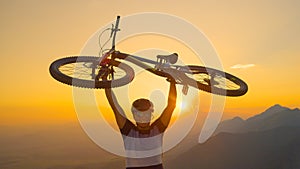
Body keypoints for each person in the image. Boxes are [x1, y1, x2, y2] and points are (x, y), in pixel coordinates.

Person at [105, 78, 177, 169]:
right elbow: (114, 105)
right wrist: (105, 82)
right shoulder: (154, 129)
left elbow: (171, 106)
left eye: (146, 114)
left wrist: (173, 83)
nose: (143, 118)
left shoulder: (130, 130)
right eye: (139, 115)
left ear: (150, 114)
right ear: (134, 115)